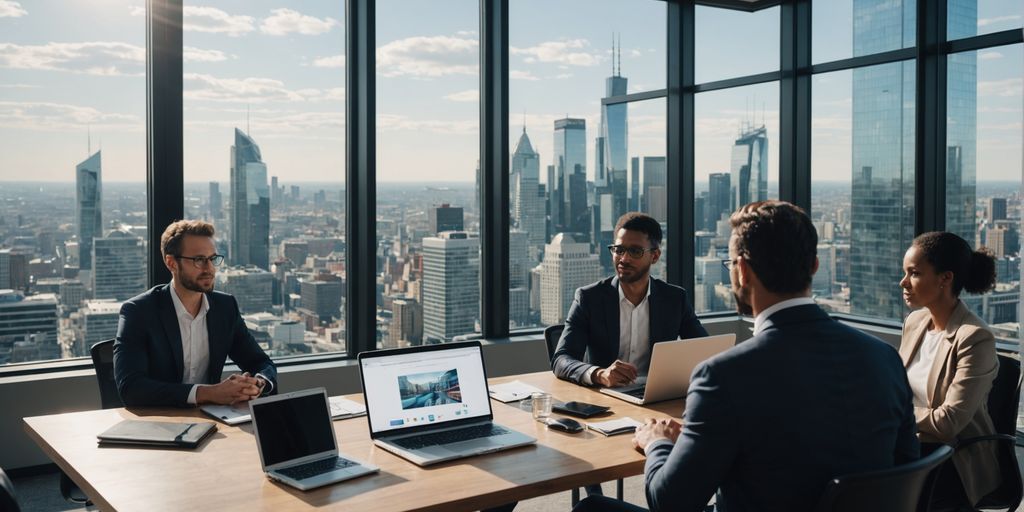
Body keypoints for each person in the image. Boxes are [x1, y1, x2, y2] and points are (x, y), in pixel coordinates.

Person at [573, 201, 919, 512]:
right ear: (813, 265)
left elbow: (669, 502)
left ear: (741, 271)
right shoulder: (885, 358)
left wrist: (657, 443)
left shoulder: (725, 376)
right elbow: (907, 470)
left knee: (591, 511)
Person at [114, 220, 277, 407]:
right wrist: (209, 393)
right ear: (171, 263)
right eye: (199, 260)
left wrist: (258, 383)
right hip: (158, 423)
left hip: (212, 420)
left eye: (213, 259)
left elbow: (262, 363)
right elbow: (131, 388)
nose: (209, 269)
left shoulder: (225, 307)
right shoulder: (138, 312)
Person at [899, 231, 1001, 508]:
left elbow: (948, 423)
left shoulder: (974, 338)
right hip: (911, 445)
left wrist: (893, 413)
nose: (903, 282)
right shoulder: (915, 322)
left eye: (914, 273)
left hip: (952, 459)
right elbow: (897, 389)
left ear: (946, 278)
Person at [552, 212, 708, 388]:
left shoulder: (675, 299)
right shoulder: (588, 298)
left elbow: (704, 350)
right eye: (619, 250)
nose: (624, 259)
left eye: (635, 251)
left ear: (655, 256)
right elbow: (561, 359)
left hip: (656, 395)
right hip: (606, 398)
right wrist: (599, 374)